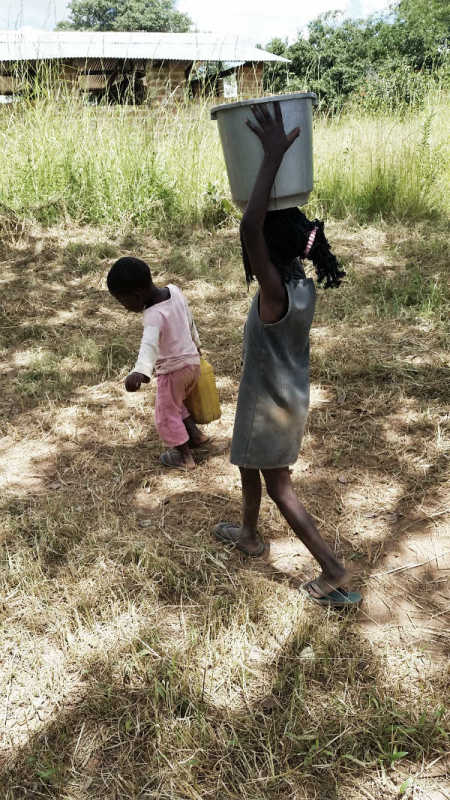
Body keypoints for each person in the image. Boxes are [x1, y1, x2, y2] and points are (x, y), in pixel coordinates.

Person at [214, 101, 362, 608]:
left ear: (267, 253)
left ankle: (334, 570)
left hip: (270, 406)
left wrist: (273, 156)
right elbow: (259, 232)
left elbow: (250, 226)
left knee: (280, 486)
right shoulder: (302, 284)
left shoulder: (274, 291)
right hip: (278, 396)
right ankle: (250, 535)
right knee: (247, 466)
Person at [107, 256, 208, 470]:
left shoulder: (153, 315)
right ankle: (195, 436)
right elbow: (189, 320)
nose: (126, 308)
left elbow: (149, 346)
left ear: (136, 295)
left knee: (165, 413)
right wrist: (197, 345)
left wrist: (140, 372)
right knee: (177, 403)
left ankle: (183, 456)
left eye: (124, 302)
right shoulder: (175, 291)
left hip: (173, 372)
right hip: (192, 363)